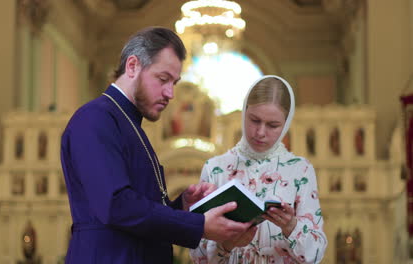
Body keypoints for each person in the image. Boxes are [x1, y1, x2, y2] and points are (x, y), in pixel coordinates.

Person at [60, 26, 252, 263]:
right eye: (163, 79)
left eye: (174, 82)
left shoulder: (129, 124)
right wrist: (199, 225)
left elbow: (141, 210)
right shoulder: (95, 118)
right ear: (132, 66)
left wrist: (182, 206)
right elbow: (116, 205)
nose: (170, 93)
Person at [190, 75, 327, 263]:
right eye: (254, 120)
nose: (260, 132)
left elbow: (316, 254)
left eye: (273, 125)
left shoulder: (300, 171)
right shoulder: (215, 169)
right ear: (244, 111)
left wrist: (291, 226)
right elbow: (197, 254)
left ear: (286, 124)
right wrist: (227, 244)